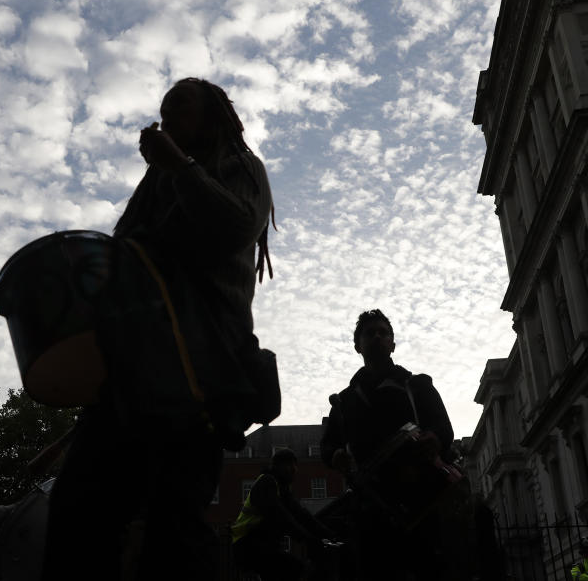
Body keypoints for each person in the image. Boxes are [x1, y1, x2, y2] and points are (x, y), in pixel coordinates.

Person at [41, 78, 277, 580]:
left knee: (173, 526)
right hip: (129, 376)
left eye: (179, 114)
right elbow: (119, 257)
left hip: (198, 372)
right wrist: (52, 290)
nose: (167, 125)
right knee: (78, 508)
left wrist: (181, 168)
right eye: (163, 116)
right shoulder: (156, 184)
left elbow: (237, 226)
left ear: (212, 117)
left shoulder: (240, 167)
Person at [321, 309, 456, 581]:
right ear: (357, 345)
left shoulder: (418, 385)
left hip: (421, 502)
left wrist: (435, 438)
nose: (378, 337)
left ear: (393, 344)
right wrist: (334, 455)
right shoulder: (344, 401)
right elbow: (328, 446)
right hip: (371, 510)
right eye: (369, 333)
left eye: (384, 333)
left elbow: (444, 428)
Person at [232, 448, 333, 581]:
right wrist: (307, 539)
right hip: (247, 546)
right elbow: (280, 516)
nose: (294, 469)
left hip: (260, 545)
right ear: (277, 466)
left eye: (295, 465)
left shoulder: (282, 490)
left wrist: (328, 533)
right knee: (297, 569)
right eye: (289, 465)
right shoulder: (267, 482)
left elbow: (302, 515)